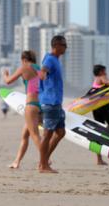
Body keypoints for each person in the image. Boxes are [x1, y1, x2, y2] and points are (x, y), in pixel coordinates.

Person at [3, 50, 43, 169]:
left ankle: (46, 158)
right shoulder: (39, 68)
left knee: (35, 135)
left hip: (31, 104)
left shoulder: (25, 67)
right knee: (25, 135)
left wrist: (5, 74)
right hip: (41, 104)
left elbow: (8, 81)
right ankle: (17, 162)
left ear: (24, 60)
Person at [37, 35, 68, 173]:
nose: (65, 48)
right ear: (56, 46)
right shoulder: (50, 59)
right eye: (63, 45)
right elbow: (44, 69)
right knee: (47, 134)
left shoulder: (56, 60)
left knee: (61, 132)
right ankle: (43, 165)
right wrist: (43, 73)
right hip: (50, 102)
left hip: (56, 103)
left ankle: (44, 160)